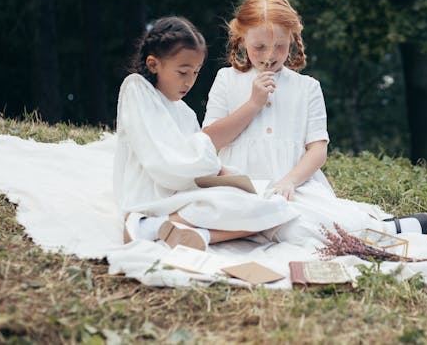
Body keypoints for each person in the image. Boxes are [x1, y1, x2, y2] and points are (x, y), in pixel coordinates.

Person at [202, 0, 427, 248]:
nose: (269, 56)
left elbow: (318, 150)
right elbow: (210, 139)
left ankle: (385, 228)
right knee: (261, 222)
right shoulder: (226, 80)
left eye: (280, 46)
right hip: (242, 190)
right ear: (241, 37)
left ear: (292, 40)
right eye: (259, 47)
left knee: (300, 228)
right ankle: (379, 229)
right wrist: (252, 104)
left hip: (294, 188)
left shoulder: (307, 88)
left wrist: (289, 182)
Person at [113, 16, 297, 251]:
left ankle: (193, 233)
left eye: (196, 73)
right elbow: (165, 162)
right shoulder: (137, 88)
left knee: (275, 208)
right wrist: (214, 168)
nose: (189, 81)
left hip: (182, 193)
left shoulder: (184, 111)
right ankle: (147, 224)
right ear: (153, 64)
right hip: (151, 196)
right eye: (182, 72)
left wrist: (225, 176)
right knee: (232, 205)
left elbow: (195, 158)